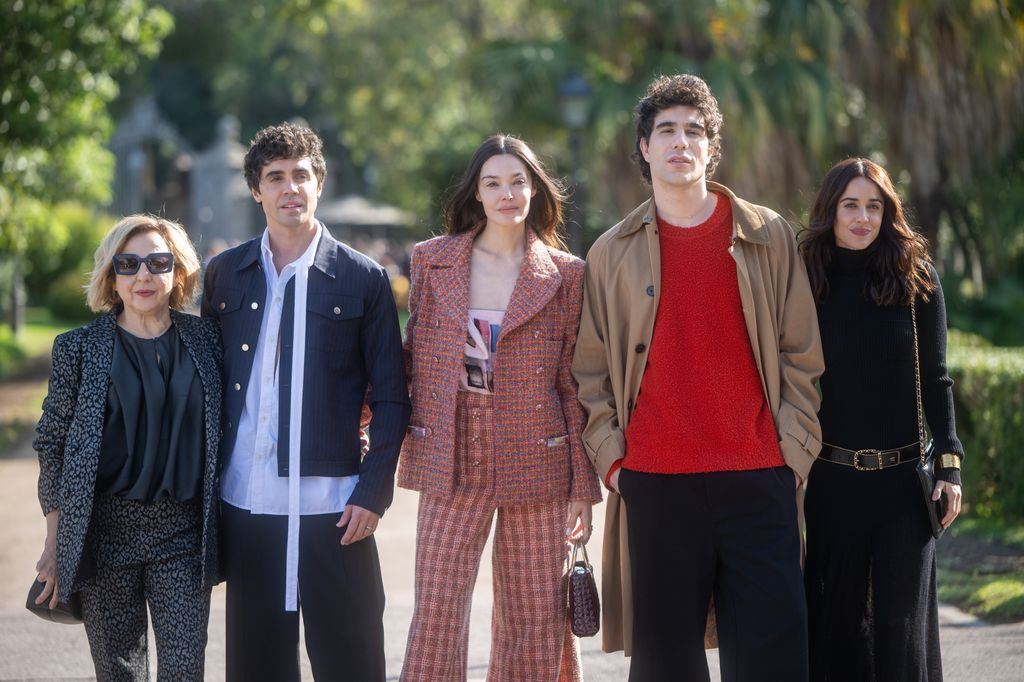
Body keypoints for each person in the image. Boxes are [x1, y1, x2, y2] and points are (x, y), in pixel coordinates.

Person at [572, 73, 825, 682]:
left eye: (694, 131)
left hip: (759, 474)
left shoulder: (767, 234)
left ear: (713, 146)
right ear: (644, 147)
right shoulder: (611, 251)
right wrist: (614, 461)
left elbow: (802, 353)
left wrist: (791, 452)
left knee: (772, 655)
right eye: (667, 131)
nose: (680, 143)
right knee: (665, 664)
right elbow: (592, 370)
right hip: (657, 481)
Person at [201, 122, 409, 681]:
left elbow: (393, 396)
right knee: (257, 666)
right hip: (247, 503)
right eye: (275, 177)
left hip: (336, 508)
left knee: (352, 660)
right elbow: (208, 385)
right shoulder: (224, 274)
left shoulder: (364, 279)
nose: (290, 187)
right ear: (256, 190)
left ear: (319, 182)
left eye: (302, 174)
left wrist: (373, 492)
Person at [399, 134, 602, 682]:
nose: (507, 193)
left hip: (540, 455)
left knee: (532, 617)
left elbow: (571, 383)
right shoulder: (431, 260)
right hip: (451, 449)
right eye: (493, 183)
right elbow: (412, 356)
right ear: (477, 192)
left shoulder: (567, 274)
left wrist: (583, 487)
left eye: (518, 181)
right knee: (437, 610)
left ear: (535, 190)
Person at [33, 215, 222, 680]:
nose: (143, 275)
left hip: (183, 533)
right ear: (111, 276)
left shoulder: (207, 339)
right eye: (129, 263)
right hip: (103, 533)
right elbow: (52, 442)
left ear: (177, 273)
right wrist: (56, 537)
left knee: (183, 669)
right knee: (120, 673)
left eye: (158, 262)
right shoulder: (77, 348)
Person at [800, 158, 964, 681]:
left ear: (888, 212)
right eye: (850, 205)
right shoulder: (806, 278)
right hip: (832, 484)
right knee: (839, 634)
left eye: (874, 206)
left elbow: (937, 380)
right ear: (831, 210)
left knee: (901, 634)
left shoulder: (916, 278)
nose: (862, 218)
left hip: (901, 488)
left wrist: (950, 465)